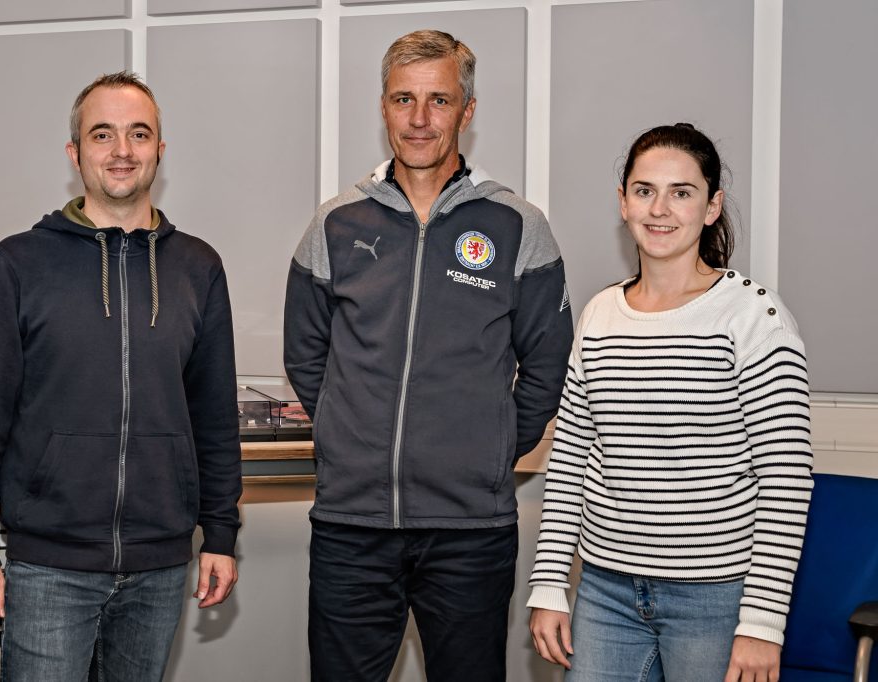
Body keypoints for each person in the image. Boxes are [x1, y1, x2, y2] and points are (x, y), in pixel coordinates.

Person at [284, 30, 573, 682]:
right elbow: (305, 356)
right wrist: (343, 433)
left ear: (467, 111)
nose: (419, 120)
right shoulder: (335, 225)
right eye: (403, 99)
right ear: (383, 106)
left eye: (438, 101)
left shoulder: (517, 227)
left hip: (470, 531)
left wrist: (494, 444)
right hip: (350, 526)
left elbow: (548, 364)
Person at [0, 71, 242, 681]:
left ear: (161, 149)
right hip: (48, 567)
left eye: (139, 133)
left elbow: (212, 416)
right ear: (75, 153)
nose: (122, 150)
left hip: (161, 565)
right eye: (102, 134)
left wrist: (221, 533)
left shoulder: (198, 267)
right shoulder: (19, 262)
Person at [528, 123, 813, 682]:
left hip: (715, 600)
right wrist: (548, 585)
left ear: (712, 207)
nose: (660, 209)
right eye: (644, 190)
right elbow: (570, 461)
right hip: (605, 591)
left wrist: (761, 625)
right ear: (623, 202)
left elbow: (786, 479)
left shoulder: (754, 316)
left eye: (682, 192)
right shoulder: (600, 314)